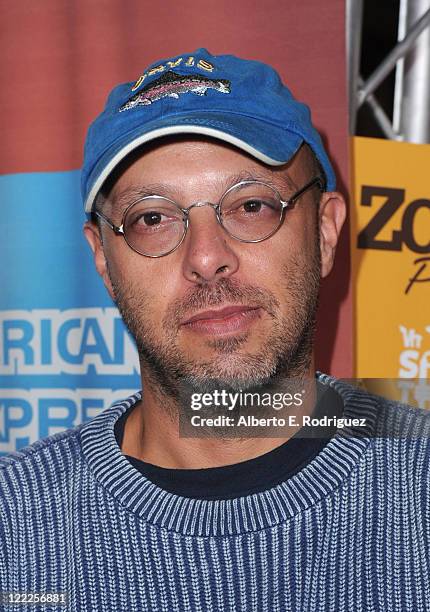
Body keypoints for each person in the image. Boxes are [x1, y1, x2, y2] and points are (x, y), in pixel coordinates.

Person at [1, 49, 429, 612]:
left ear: (325, 233)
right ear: (103, 259)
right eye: (152, 218)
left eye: (252, 205)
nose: (206, 258)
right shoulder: (15, 524)